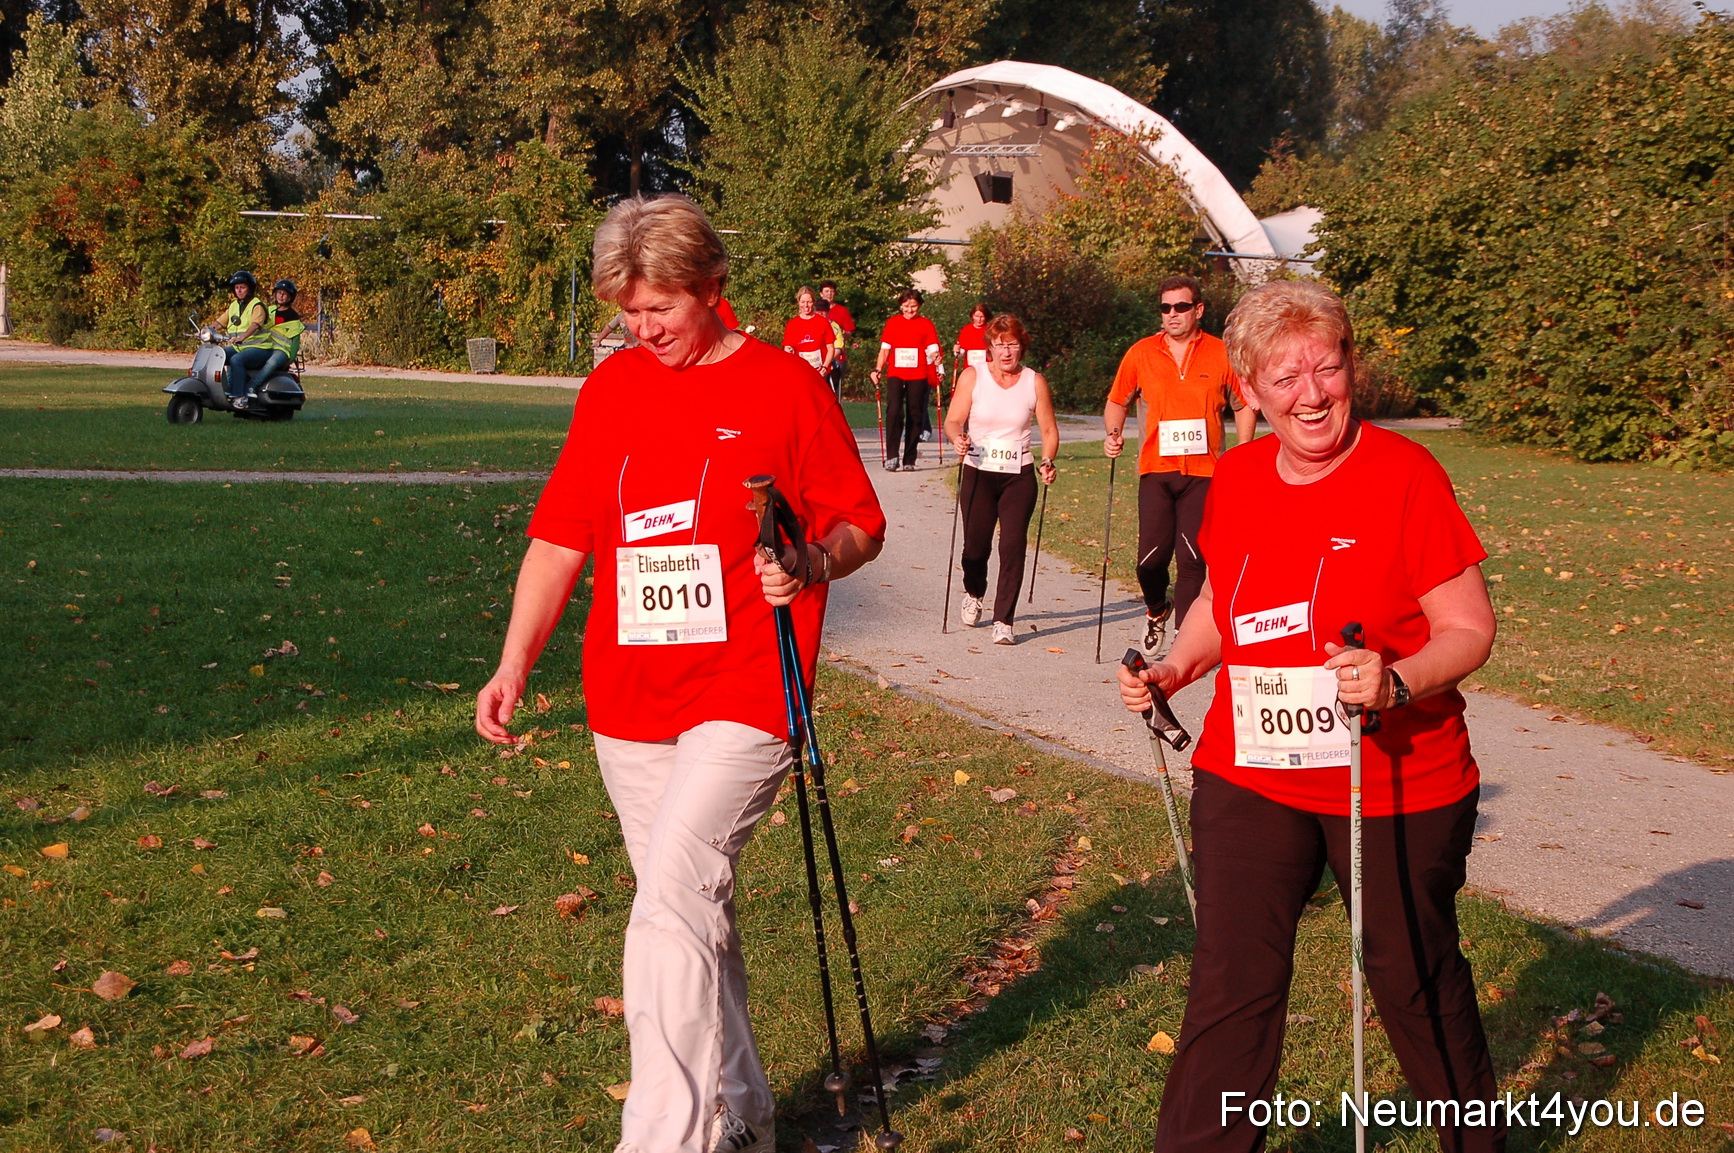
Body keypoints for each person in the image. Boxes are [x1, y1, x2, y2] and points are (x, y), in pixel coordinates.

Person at [475, 194, 885, 1153]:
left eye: (661, 307)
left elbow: (860, 524)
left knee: (669, 904)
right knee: (688, 911)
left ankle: (664, 1137)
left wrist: (812, 561)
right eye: (629, 309)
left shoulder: (785, 387)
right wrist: (513, 661)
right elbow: (560, 537)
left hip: (748, 686)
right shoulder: (610, 390)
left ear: (713, 286)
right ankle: (743, 1112)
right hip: (628, 698)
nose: (643, 327)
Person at [1116, 279, 1502, 1153]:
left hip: (1395, 779)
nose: (1312, 394)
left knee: (1411, 978)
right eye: (1285, 378)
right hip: (1251, 768)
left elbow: (1469, 627)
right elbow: (1221, 604)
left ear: (1351, 367)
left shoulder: (1406, 475)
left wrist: (1395, 680)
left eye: (1326, 368)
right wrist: (1175, 666)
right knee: (1230, 982)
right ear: (1249, 389)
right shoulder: (1239, 476)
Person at [1102, 274, 1256, 654]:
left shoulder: (1222, 352)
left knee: (1192, 559)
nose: (1172, 314)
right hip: (1157, 469)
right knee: (1149, 562)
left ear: (1198, 310)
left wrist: (1243, 452)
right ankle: (1157, 608)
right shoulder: (1141, 352)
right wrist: (1113, 433)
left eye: (1181, 306)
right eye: (1165, 307)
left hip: (1205, 473)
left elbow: (1244, 404)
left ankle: (1184, 644)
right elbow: (1117, 400)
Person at [943, 314, 1058, 645]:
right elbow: (953, 421)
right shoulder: (973, 376)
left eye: (1013, 345)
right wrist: (957, 438)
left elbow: (1049, 430)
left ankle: (1004, 619)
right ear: (990, 347)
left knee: (1012, 546)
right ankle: (974, 592)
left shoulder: (1034, 381)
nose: (1006, 352)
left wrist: (1048, 460)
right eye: (1000, 345)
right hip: (979, 471)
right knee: (975, 548)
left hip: (1018, 475)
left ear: (1022, 347)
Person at [871, 288, 943, 471]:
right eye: (906, 306)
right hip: (896, 373)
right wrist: (878, 369)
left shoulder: (926, 324)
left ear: (919, 306)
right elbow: (885, 350)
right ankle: (892, 456)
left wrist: (936, 358)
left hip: (918, 374)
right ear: (900, 306)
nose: (910, 310)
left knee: (915, 414)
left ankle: (909, 458)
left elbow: (933, 348)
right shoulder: (893, 323)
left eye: (914, 306)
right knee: (894, 411)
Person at [217, 271, 273, 408]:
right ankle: (226, 389)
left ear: (250, 288)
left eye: (242, 287)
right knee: (218, 355)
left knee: (237, 360)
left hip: (260, 348)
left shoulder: (257, 305)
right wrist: (205, 330)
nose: (239, 290)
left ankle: (240, 396)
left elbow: (255, 324)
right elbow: (219, 322)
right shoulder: (234, 305)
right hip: (240, 347)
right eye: (236, 288)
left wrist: (242, 337)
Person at [250, 279, 305, 392]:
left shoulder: (293, 317)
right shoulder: (269, 310)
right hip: (265, 346)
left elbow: (295, 341)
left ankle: (252, 386)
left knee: (272, 362)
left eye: (285, 294)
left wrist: (290, 359)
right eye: (279, 292)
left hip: (281, 350)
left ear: (290, 297)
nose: (281, 296)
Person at [781, 285, 835, 378]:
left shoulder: (823, 322)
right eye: (803, 302)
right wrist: (789, 350)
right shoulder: (792, 324)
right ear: (798, 302)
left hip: (820, 373)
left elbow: (831, 348)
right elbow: (787, 348)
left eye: (809, 302)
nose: (805, 306)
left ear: (813, 302)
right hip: (800, 372)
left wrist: (825, 367)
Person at [817, 281, 854, 396]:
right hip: (817, 359)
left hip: (837, 357)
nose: (829, 294)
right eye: (827, 291)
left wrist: (843, 334)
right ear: (821, 293)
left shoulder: (842, 311)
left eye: (832, 291)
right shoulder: (814, 311)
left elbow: (849, 333)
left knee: (833, 391)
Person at [952, 302, 991, 370]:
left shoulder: (990, 330)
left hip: (986, 368)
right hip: (969, 368)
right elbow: (961, 351)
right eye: (976, 316)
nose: (979, 320)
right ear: (972, 316)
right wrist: (957, 350)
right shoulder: (966, 330)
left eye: (982, 317)